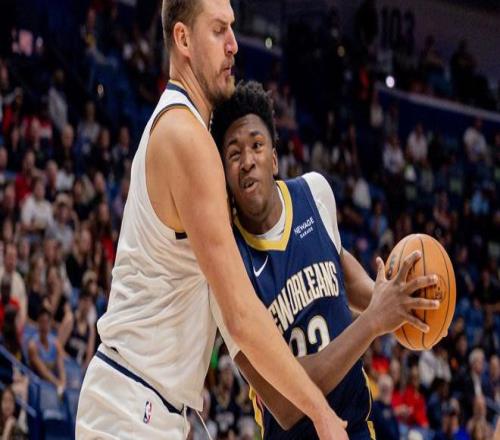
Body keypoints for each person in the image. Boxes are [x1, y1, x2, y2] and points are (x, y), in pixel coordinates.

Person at [76, 1, 347, 438]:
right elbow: (239, 314)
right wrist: (321, 412)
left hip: (146, 404)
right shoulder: (186, 137)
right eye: (219, 30)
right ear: (183, 39)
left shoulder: (182, 129)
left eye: (233, 29)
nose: (234, 45)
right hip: (131, 407)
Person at [210, 80, 439, 439]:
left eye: (256, 145)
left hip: (356, 426)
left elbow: (343, 275)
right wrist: (373, 321)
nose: (248, 161)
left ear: (274, 158)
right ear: (224, 174)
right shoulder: (225, 264)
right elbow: (285, 404)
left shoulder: (315, 192)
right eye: (234, 154)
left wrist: (399, 301)